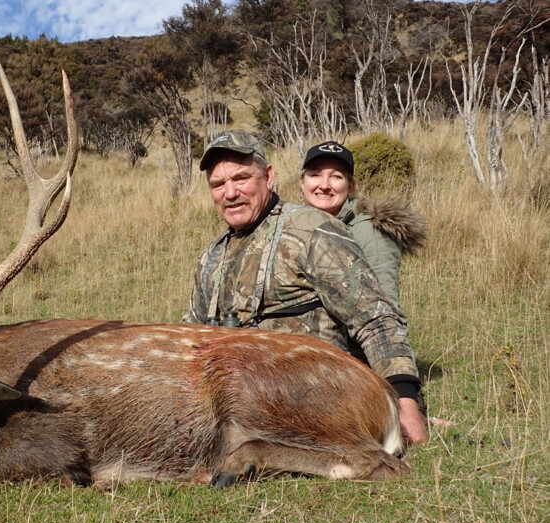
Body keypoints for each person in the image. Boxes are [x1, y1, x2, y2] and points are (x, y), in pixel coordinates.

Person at [183, 130, 428, 445]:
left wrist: (406, 409)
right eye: (218, 184)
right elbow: (190, 336)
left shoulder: (313, 230)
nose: (230, 193)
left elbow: (376, 321)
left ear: (268, 176)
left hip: (317, 400)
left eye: (242, 178)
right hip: (234, 405)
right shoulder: (211, 257)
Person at [299, 141, 426, 313]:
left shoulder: (369, 231)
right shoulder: (298, 225)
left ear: (351, 186)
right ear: (302, 182)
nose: (324, 185)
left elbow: (386, 309)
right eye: (315, 175)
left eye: (336, 176)